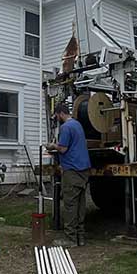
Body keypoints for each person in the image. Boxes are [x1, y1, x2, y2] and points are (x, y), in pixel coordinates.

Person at [46, 102, 91, 247]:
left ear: (60, 114)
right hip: (83, 169)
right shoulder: (77, 124)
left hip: (72, 169)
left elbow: (63, 149)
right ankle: (81, 237)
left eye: (56, 116)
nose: (56, 118)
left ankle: (70, 239)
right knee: (80, 204)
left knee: (70, 205)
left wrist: (52, 146)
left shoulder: (66, 127)